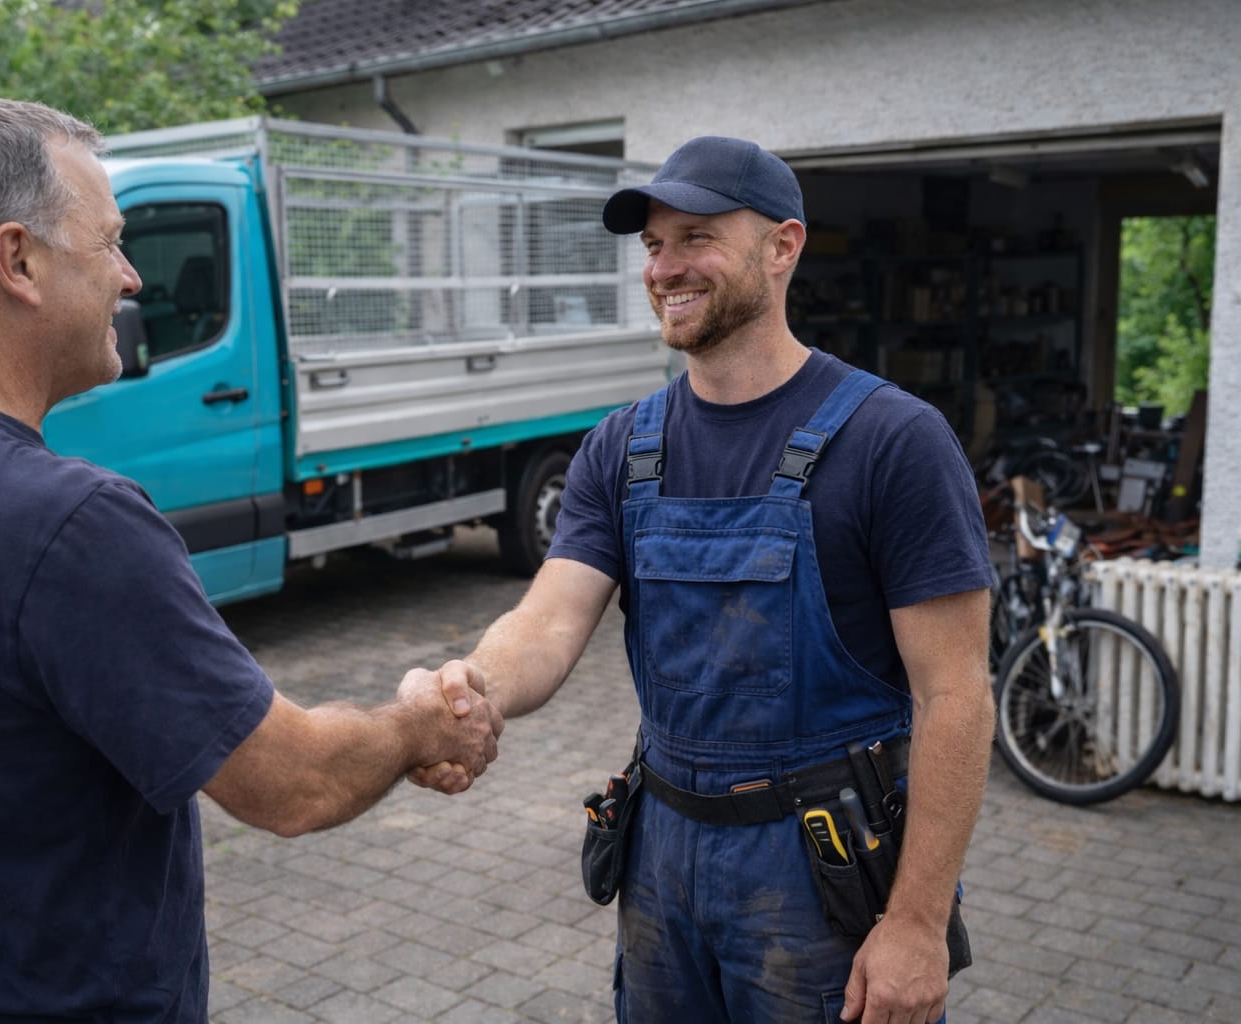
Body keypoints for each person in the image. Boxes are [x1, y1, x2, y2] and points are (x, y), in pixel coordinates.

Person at [0, 97, 501, 1023]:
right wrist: (420, 724)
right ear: (17, 259)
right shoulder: (69, 523)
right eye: (108, 243)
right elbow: (293, 784)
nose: (132, 277)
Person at [410, 136, 996, 1023]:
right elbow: (552, 617)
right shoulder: (622, 446)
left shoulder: (893, 442)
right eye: (653, 245)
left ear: (783, 246)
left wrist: (915, 922)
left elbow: (955, 696)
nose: (666, 267)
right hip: (662, 860)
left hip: (822, 871)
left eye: (696, 237)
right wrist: (474, 684)